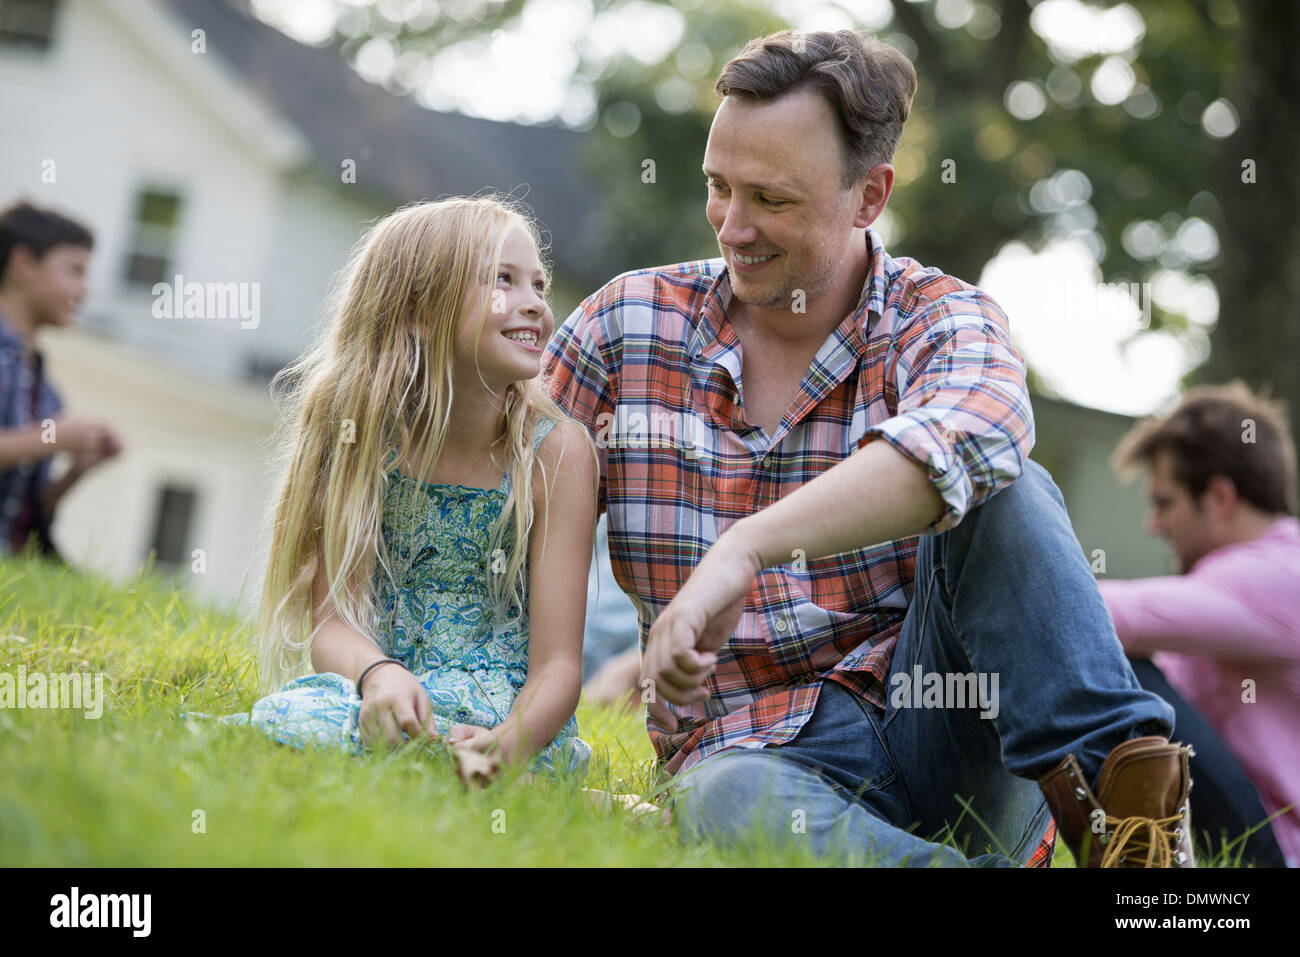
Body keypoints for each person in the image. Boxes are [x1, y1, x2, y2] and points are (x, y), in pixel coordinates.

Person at [545, 29, 1194, 867]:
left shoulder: (940, 317)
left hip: (952, 731)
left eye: (771, 200)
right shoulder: (623, 329)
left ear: (869, 196)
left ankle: (1129, 830)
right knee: (722, 797)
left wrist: (746, 547)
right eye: (718, 187)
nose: (733, 227)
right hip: (762, 759)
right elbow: (497, 499)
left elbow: (975, 429)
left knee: (1009, 485)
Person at [202, 196, 599, 785]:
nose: (537, 304)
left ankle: (524, 781)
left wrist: (506, 745)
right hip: (384, 690)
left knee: (428, 761)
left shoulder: (556, 452)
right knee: (294, 721)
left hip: (506, 713)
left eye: (539, 285)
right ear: (417, 309)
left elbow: (560, 666)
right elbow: (331, 620)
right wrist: (378, 675)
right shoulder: (357, 431)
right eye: (503, 280)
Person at [1099, 382, 1299, 867]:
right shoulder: (1234, 588)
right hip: (1256, 833)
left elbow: (1107, 615)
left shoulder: (1280, 571)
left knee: (1123, 671)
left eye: (1164, 503)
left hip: (1280, 854)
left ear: (1219, 496)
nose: (1155, 524)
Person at [0, 200, 122, 559]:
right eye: (75, 270)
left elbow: (25, 514)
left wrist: (77, 471)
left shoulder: (44, 388)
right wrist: (51, 438)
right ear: (23, 264)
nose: (85, 290)